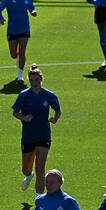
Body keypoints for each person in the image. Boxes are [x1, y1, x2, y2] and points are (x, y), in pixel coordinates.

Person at [12, 63, 62, 193]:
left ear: (41, 79)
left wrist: (55, 119)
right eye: (32, 80)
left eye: (37, 79)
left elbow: (57, 110)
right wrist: (23, 117)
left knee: (40, 170)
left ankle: (39, 200)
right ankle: (29, 175)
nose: (35, 82)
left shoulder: (49, 95)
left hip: (43, 135)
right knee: (25, 169)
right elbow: (15, 112)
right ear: (29, 80)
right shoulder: (23, 95)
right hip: (28, 136)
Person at [0, 0, 38, 83]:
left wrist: (33, 12)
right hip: (12, 30)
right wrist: (0, 18)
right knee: (14, 54)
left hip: (24, 28)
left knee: (22, 52)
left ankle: (20, 75)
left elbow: (31, 8)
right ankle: (18, 60)